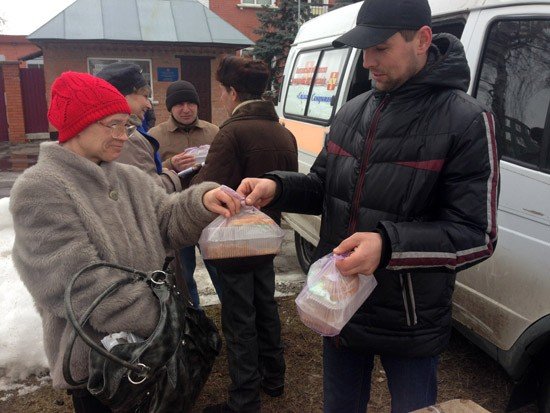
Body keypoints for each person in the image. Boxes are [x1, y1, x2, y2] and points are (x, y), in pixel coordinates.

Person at [237, 0, 499, 412]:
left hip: (409, 320)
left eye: (381, 48)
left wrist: (388, 246)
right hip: (339, 302)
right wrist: (277, 187)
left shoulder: (465, 120)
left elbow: (476, 235)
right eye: (364, 49)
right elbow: (325, 186)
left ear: (423, 40)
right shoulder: (353, 110)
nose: (367, 62)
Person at [9, 71, 240, 413]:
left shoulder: (128, 177)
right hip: (100, 363)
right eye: (114, 125)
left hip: (148, 352)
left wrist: (200, 202)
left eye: (127, 125)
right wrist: (163, 319)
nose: (124, 136)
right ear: (78, 124)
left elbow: (166, 219)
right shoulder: (41, 188)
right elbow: (75, 282)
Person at [194, 56, 298, 413]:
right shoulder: (284, 132)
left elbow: (208, 186)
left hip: (234, 242)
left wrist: (189, 178)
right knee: (265, 307)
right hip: (266, 238)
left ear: (232, 92)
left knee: (240, 320)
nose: (223, 97)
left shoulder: (231, 132)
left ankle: (244, 400)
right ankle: (275, 378)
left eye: (223, 91)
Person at [149, 80, 221, 307]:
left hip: (210, 213)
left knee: (220, 271)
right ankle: (194, 320)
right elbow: (147, 175)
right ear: (170, 108)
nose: (186, 109)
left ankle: (231, 315)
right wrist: (170, 164)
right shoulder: (155, 136)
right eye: (179, 104)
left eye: (191, 103)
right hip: (176, 216)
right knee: (183, 276)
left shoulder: (214, 131)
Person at [96, 62, 182, 193]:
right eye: (145, 96)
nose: (149, 105)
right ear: (123, 96)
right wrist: (171, 177)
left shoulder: (108, 129)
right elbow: (147, 191)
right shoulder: (127, 136)